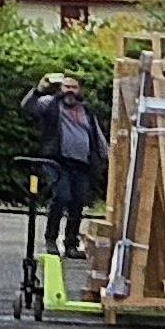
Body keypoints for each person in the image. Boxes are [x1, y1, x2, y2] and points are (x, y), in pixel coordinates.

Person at [19, 73, 108, 253]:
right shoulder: (50, 103)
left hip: (82, 164)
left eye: (74, 87)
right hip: (57, 161)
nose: (70, 91)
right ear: (60, 89)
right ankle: (51, 240)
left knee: (78, 202)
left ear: (79, 90)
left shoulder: (86, 110)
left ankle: (70, 244)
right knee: (61, 197)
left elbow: (96, 134)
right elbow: (28, 106)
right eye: (67, 87)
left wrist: (105, 154)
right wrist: (40, 88)